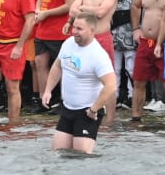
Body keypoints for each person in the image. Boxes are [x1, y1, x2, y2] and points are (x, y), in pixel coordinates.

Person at [41, 12, 116, 154]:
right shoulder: (68, 43)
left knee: (81, 157)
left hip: (87, 112)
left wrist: (94, 109)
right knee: (59, 153)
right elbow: (57, 66)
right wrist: (48, 90)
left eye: (79, 29)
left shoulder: (98, 55)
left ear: (91, 31)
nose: (74, 31)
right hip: (68, 108)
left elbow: (111, 85)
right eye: (74, 27)